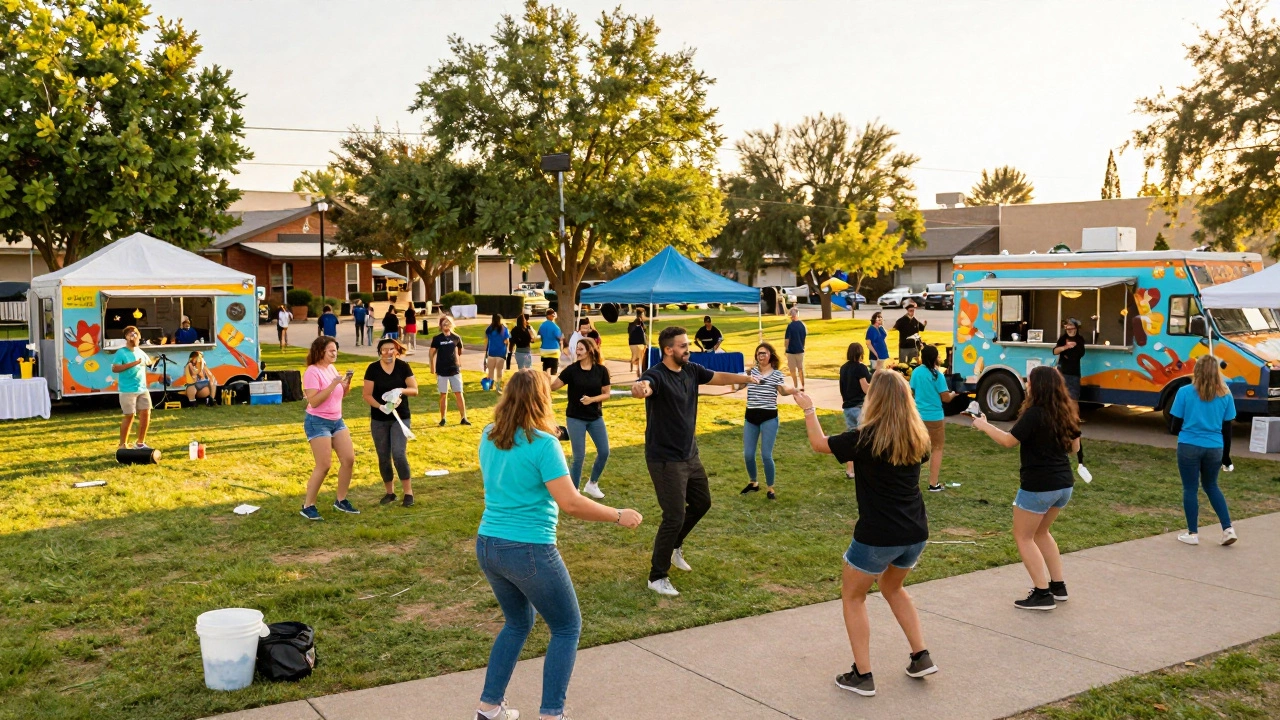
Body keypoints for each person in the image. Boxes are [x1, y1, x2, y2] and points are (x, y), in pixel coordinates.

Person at [473, 369, 642, 720]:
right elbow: (572, 503)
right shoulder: (543, 444)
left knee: (517, 623)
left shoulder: (489, 434)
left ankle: (489, 708)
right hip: (528, 548)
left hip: (489, 544)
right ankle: (552, 714)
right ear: (542, 399)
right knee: (567, 627)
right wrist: (617, 514)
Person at [792, 372, 938, 697]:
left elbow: (818, 444)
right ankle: (920, 655)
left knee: (853, 596)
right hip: (914, 532)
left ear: (875, 400)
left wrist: (808, 408)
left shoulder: (865, 438)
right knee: (892, 587)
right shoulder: (918, 437)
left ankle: (863, 674)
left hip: (877, 535)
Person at [631, 326, 758, 597]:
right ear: (668, 350)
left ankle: (675, 545)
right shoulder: (656, 375)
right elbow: (645, 386)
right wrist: (640, 388)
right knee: (674, 515)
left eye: (688, 344)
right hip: (665, 459)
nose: (687, 348)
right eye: (682, 345)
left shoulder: (691, 370)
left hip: (690, 454)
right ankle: (657, 576)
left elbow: (719, 377)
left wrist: (746, 378)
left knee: (702, 503)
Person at [971, 365, 1081, 610]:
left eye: (1029, 382)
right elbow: (1075, 448)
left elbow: (1009, 441)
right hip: (1064, 485)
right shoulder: (1066, 412)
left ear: (1037, 386)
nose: (1026, 385)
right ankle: (1058, 586)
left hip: (1039, 486)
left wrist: (984, 425)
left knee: (1023, 536)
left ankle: (1042, 593)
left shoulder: (1034, 414)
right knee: (1042, 533)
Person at [1169, 356, 1239, 547]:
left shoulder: (1184, 392)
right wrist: (1226, 456)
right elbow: (1227, 428)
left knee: (1190, 488)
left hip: (1189, 445)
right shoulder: (1226, 394)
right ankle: (1227, 529)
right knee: (1212, 486)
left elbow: (1174, 426)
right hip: (1215, 446)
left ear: (1196, 370)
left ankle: (1192, 533)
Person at [300, 336, 357, 520]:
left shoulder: (331, 368)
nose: (335, 354)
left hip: (337, 421)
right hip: (317, 421)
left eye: (336, 350)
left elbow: (339, 395)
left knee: (348, 459)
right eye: (331, 350)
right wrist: (333, 384)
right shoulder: (312, 371)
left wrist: (346, 385)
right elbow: (314, 401)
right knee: (324, 465)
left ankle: (341, 500)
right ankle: (308, 506)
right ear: (321, 351)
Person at [551, 336, 611, 499]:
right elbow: (554, 387)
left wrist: (592, 399)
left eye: (580, 349)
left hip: (595, 417)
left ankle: (592, 484)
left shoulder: (601, 370)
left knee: (604, 451)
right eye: (576, 349)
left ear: (590, 351)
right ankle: (573, 491)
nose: (577, 351)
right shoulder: (572, 370)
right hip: (575, 417)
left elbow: (606, 394)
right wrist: (543, 380)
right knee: (579, 456)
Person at [363, 338, 419, 508]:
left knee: (399, 454)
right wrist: (380, 406)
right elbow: (367, 395)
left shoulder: (403, 367)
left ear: (396, 351)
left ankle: (408, 493)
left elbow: (414, 390)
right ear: (380, 351)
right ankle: (390, 493)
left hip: (400, 418)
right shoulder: (372, 369)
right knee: (383, 456)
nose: (388, 353)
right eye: (384, 349)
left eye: (391, 349)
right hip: (379, 419)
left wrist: (400, 390)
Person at [740, 342, 795, 500]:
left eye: (763, 353)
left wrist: (794, 390)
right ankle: (753, 483)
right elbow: (739, 383)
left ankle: (770, 488)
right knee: (748, 454)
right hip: (751, 417)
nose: (761, 356)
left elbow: (783, 391)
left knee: (766, 455)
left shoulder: (777, 374)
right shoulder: (751, 372)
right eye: (758, 353)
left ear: (770, 355)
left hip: (769, 417)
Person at [909, 345, 955, 492]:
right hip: (935, 417)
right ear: (935, 358)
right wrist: (954, 394)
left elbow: (911, 392)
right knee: (937, 449)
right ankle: (933, 483)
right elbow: (946, 398)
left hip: (919, 416)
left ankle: (911, 482)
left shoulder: (916, 372)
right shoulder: (938, 375)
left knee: (916, 449)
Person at [112, 326, 156, 449]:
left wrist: (153, 362)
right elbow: (115, 368)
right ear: (125, 337)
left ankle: (140, 443)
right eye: (130, 334)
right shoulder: (121, 352)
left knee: (146, 412)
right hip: (127, 390)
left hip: (142, 388)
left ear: (139, 336)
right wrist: (134, 363)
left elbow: (149, 363)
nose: (133, 336)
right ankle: (123, 445)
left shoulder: (140, 351)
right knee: (130, 415)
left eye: (135, 333)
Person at [839, 342, 873, 478]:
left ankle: (850, 470)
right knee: (865, 438)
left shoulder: (843, 368)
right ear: (860, 354)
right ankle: (865, 468)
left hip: (847, 407)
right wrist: (877, 386)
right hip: (859, 407)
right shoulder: (861, 368)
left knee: (852, 438)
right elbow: (865, 388)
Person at [430, 315, 469, 427]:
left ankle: (463, 417)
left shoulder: (456, 337)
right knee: (443, 394)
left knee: (459, 393)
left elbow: (460, 350)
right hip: (442, 370)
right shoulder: (437, 339)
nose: (446, 325)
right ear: (440, 325)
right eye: (444, 323)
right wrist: (432, 366)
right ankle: (443, 418)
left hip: (454, 370)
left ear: (452, 324)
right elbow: (431, 353)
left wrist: (458, 361)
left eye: (448, 323)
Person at [1053, 318, 1086, 402]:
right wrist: (1065, 347)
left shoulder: (1079, 339)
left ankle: (1073, 414)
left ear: (1075, 328)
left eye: (1071, 326)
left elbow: (1080, 354)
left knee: (1073, 399)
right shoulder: (1063, 339)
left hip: (1074, 374)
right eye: (1067, 327)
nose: (1069, 329)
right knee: (1060, 398)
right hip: (1062, 372)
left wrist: (1074, 346)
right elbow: (1055, 351)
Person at [485, 314, 511, 393]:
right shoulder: (504, 329)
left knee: (491, 371)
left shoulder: (489, 329)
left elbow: (487, 339)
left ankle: (490, 385)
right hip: (501, 353)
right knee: (499, 371)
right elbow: (506, 341)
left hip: (491, 352)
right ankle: (498, 386)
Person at [784, 306, 807, 390]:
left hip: (791, 351)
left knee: (792, 370)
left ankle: (795, 385)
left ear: (791, 316)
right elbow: (804, 337)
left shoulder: (790, 326)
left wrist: (786, 349)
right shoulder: (802, 325)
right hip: (801, 350)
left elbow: (787, 340)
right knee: (800, 369)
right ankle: (802, 385)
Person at [537, 309, 564, 374]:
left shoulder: (542, 325)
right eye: (553, 315)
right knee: (553, 370)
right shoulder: (555, 327)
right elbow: (559, 337)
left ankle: (545, 381)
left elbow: (539, 334)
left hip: (544, 350)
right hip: (554, 350)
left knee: (545, 368)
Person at [628, 308, 648, 377]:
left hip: (631, 342)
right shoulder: (640, 323)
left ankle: (633, 369)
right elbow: (644, 334)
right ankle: (639, 372)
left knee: (634, 356)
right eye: (643, 314)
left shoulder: (631, 324)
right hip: (640, 342)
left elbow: (629, 333)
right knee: (640, 358)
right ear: (641, 314)